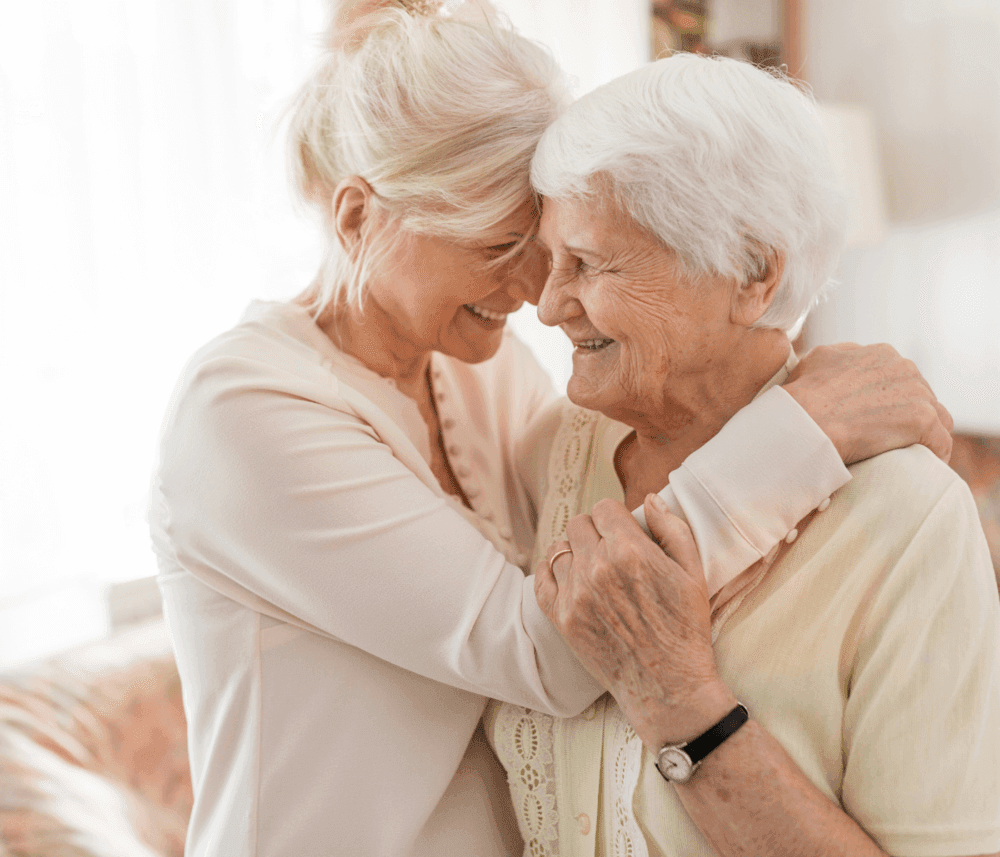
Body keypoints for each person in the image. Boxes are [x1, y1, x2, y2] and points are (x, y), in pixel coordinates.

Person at [149, 4, 956, 856]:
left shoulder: (477, 366)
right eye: (498, 246)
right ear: (358, 219)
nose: (535, 291)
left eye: (543, 243)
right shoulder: (244, 412)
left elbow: (601, 504)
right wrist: (802, 431)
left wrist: (785, 387)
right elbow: (555, 648)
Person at [488, 52, 1000, 857]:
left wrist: (681, 701)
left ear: (752, 274)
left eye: (588, 263)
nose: (549, 305)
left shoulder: (909, 517)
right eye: (550, 261)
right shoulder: (545, 453)